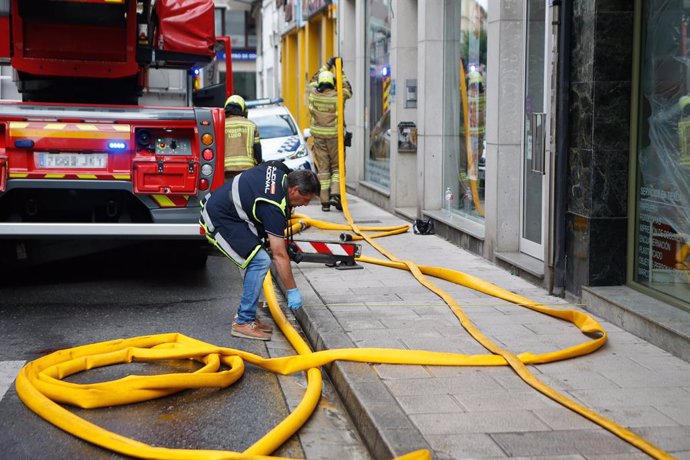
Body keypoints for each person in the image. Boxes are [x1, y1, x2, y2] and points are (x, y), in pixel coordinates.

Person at [199, 161, 319, 341]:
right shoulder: (272, 205)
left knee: (257, 255)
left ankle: (247, 316)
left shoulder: (282, 172)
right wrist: (292, 290)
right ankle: (243, 321)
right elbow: (279, 255)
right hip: (219, 217)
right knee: (260, 260)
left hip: (231, 211)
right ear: (294, 190)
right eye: (306, 200)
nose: (306, 205)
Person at [307, 56, 352, 212]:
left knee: (324, 170)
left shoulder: (312, 94)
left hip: (319, 138)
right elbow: (348, 89)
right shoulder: (338, 96)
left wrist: (327, 65)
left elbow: (313, 78)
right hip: (335, 138)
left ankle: (325, 202)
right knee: (337, 168)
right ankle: (335, 194)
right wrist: (340, 71)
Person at [223, 95, 262, 182]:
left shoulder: (221, 125)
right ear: (243, 109)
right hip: (247, 171)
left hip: (225, 171)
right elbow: (257, 151)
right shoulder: (251, 125)